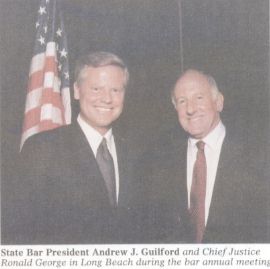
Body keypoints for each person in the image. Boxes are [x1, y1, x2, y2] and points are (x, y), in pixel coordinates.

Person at [4, 51, 136, 244]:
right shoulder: (42, 149)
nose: (107, 99)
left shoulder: (134, 154)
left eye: (115, 90)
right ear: (76, 90)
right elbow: (18, 233)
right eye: (96, 89)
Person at [139, 69, 267, 243]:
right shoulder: (159, 164)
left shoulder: (258, 156)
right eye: (182, 101)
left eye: (199, 98)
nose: (190, 109)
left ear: (219, 102)